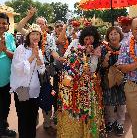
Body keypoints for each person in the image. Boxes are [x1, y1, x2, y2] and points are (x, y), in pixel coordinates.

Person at [16, 7, 64, 135]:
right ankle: (32, 124)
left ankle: (47, 123)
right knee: (27, 103)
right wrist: (29, 16)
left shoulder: (49, 38)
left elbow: (53, 51)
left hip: (43, 71)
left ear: (46, 25)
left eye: (42, 24)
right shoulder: (29, 36)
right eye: (37, 24)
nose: (39, 26)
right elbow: (19, 26)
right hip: (26, 76)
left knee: (45, 96)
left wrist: (60, 58)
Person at [57, 26, 104, 138]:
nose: (88, 42)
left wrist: (90, 55)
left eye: (91, 39)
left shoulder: (97, 48)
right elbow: (66, 58)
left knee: (86, 110)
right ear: (82, 37)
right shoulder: (74, 42)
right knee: (71, 110)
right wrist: (82, 52)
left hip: (86, 87)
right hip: (71, 85)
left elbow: (92, 68)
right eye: (86, 39)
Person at [10, 24, 45, 138]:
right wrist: (32, 57)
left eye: (37, 34)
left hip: (34, 88)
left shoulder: (38, 50)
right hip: (22, 88)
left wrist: (38, 57)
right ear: (28, 36)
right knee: (23, 116)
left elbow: (42, 70)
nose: (35, 36)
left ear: (40, 37)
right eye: (33, 34)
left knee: (33, 116)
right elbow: (18, 69)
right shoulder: (20, 49)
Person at [100, 26, 126, 136]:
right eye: (111, 34)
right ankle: (110, 121)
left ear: (120, 35)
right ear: (108, 36)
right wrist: (105, 59)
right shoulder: (103, 49)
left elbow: (128, 64)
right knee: (109, 102)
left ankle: (120, 123)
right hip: (108, 79)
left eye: (116, 33)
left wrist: (121, 65)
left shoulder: (125, 48)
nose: (113, 36)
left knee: (121, 101)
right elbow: (102, 66)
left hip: (122, 79)